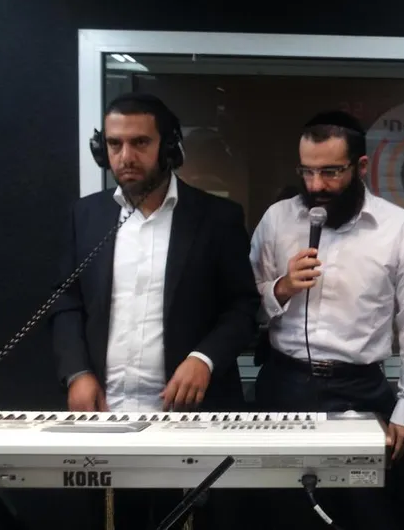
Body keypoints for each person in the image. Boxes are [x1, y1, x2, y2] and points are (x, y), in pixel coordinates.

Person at [48, 92, 260, 530]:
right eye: (114, 144)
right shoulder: (86, 215)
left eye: (140, 143)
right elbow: (67, 301)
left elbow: (243, 307)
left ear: (169, 147)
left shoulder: (217, 217)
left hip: (189, 419)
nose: (125, 157)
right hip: (106, 415)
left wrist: (205, 359)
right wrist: (77, 372)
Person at [249, 110, 404, 530]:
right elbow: (243, 308)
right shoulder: (277, 220)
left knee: (367, 514)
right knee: (284, 514)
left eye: (331, 172)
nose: (316, 185)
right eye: (307, 171)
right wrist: (282, 288)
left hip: (360, 389)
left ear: (361, 166)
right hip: (284, 384)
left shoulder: (399, 228)